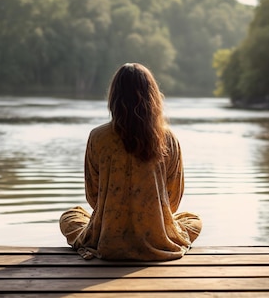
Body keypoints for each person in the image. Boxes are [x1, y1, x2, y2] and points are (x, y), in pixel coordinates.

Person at [59, 63, 202, 261]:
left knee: (70, 217)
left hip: (108, 240)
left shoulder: (98, 137)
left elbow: (93, 196)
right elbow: (173, 201)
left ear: (114, 98)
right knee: (193, 220)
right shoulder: (168, 139)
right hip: (156, 238)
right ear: (153, 97)